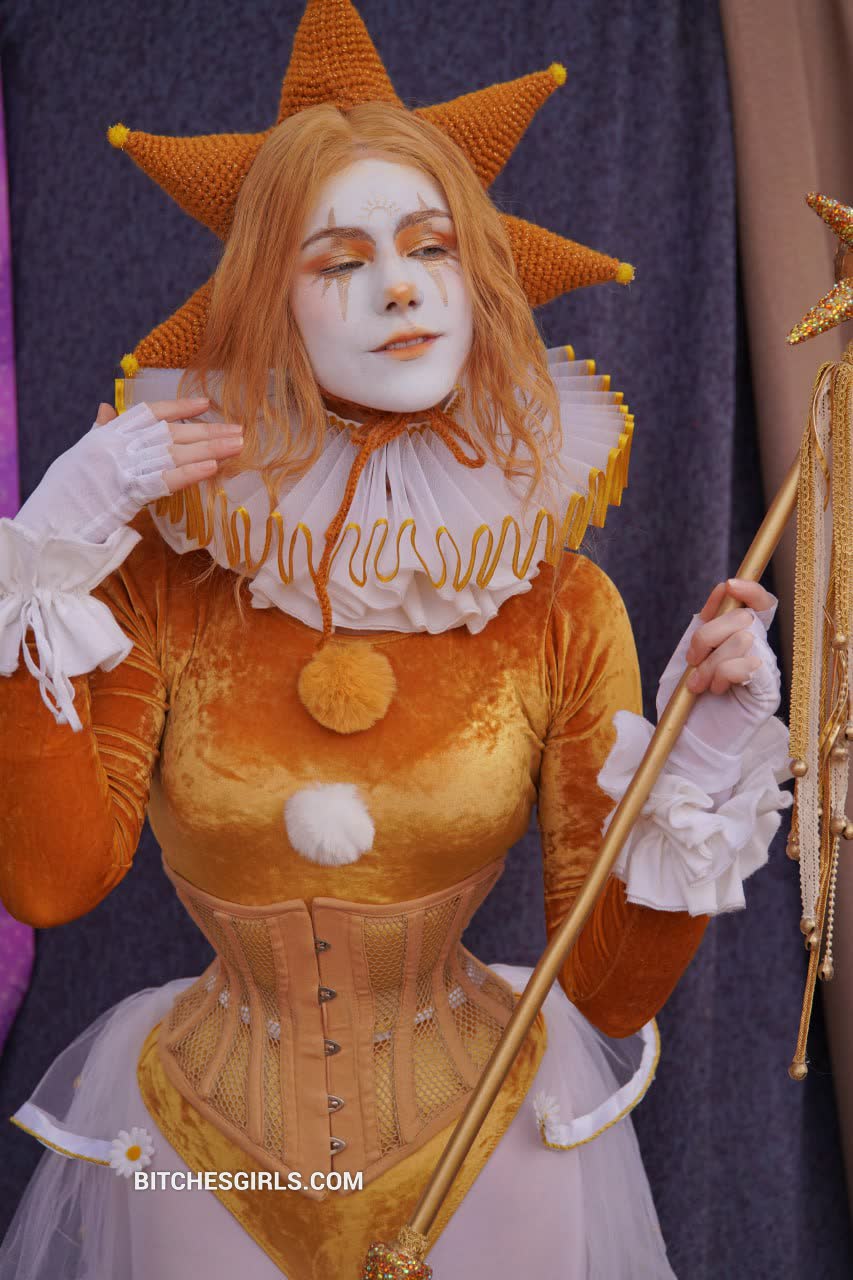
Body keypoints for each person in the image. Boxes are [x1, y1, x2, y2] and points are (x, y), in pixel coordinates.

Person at [0, 4, 792, 1277]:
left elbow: (604, 990)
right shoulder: (161, 580)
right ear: (264, 297)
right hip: (202, 1150)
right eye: (339, 260)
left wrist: (689, 766)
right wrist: (36, 565)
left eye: (432, 246)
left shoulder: (554, 602)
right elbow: (50, 883)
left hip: (495, 1150)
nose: (403, 287)